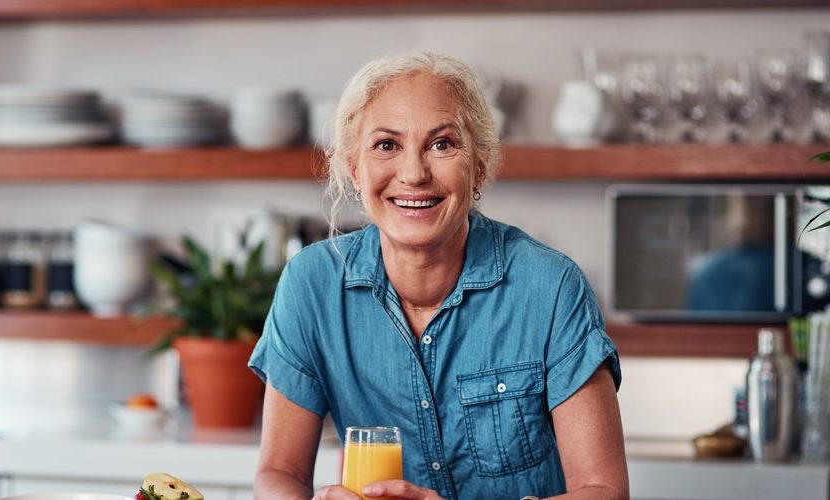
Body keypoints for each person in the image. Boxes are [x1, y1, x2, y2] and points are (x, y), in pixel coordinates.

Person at [248, 51, 628, 500]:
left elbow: (604, 491)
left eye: (442, 144)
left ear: (480, 165)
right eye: (386, 145)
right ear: (354, 166)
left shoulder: (551, 288)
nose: (413, 174)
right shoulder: (312, 285)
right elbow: (278, 475)